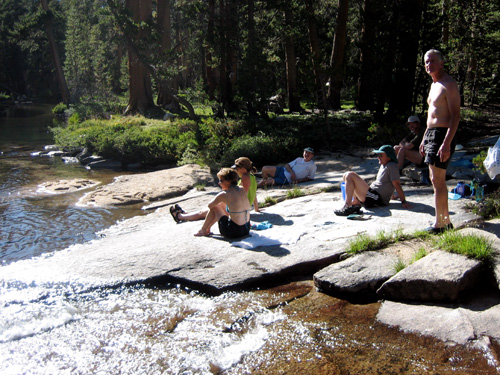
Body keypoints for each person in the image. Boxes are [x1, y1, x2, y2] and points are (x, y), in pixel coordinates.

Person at [419, 49, 460, 234]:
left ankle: (440, 224)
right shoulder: (434, 84)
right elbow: (432, 115)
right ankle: (445, 221)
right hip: (431, 134)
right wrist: (424, 138)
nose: (429, 65)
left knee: (439, 181)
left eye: (433, 61)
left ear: (442, 63)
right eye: (427, 62)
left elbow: (455, 116)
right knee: (435, 180)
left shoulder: (448, 84)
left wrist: (446, 143)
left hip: (442, 134)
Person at [169, 157, 258, 224]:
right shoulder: (252, 176)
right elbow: (254, 194)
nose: (236, 170)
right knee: (208, 210)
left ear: (243, 169)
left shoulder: (245, 177)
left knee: (209, 209)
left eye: (237, 169)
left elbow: (243, 194)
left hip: (237, 205)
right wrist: (256, 208)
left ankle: (180, 216)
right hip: (239, 204)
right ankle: (186, 214)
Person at [334, 145, 411, 216]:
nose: (378, 157)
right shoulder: (384, 165)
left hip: (376, 199)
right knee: (346, 175)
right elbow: (388, 183)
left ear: (389, 157)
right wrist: (392, 196)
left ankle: (347, 205)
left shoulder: (392, 166)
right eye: (378, 155)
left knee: (350, 175)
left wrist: (403, 201)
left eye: (381, 155)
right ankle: (355, 203)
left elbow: (396, 184)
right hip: (373, 195)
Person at [188, 168, 251, 237]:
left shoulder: (224, 194)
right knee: (220, 204)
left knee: (215, 206)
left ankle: (203, 230)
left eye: (221, 181)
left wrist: (219, 200)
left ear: (228, 181)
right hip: (246, 229)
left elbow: (210, 206)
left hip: (233, 231)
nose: (219, 183)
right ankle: (207, 228)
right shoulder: (242, 189)